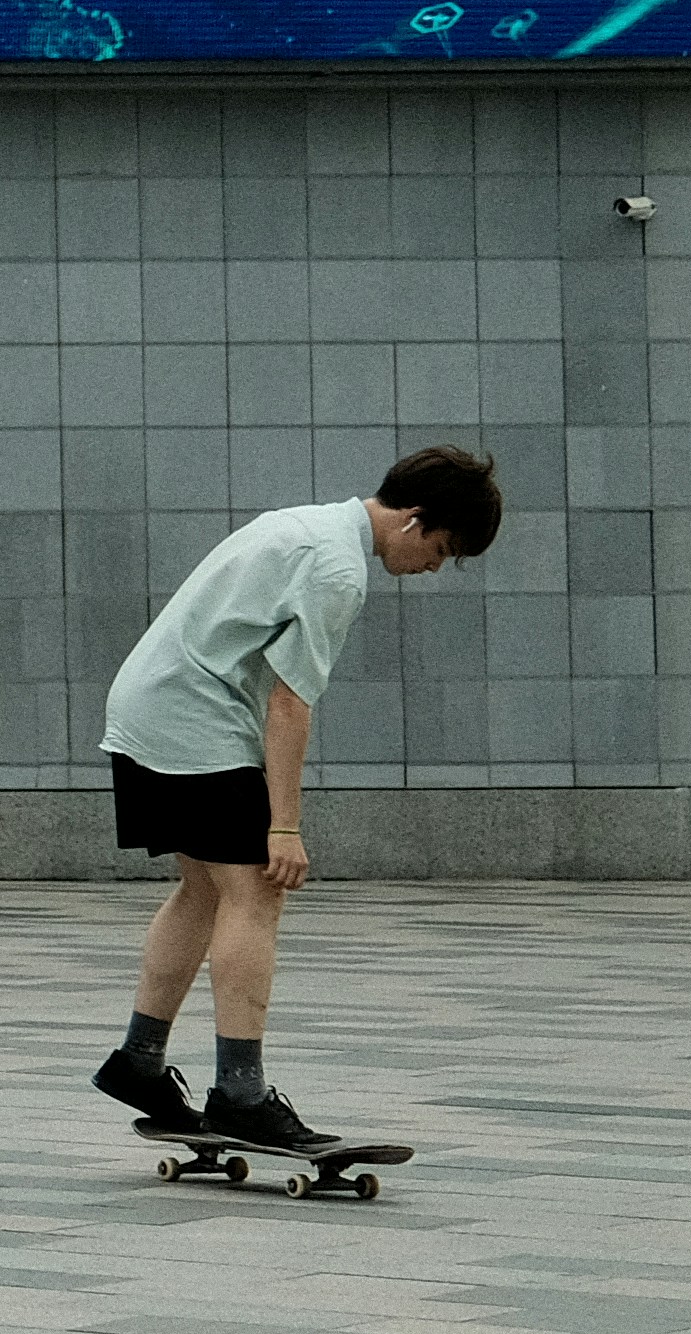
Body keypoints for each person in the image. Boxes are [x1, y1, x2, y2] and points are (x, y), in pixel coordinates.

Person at [92, 443, 499, 1150]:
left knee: (202, 890)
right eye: (443, 547)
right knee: (256, 891)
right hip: (192, 719)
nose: (437, 566)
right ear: (412, 520)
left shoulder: (305, 524)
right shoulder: (337, 568)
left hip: (146, 706)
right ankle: (241, 1096)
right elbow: (289, 703)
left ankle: (138, 1063)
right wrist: (284, 826)